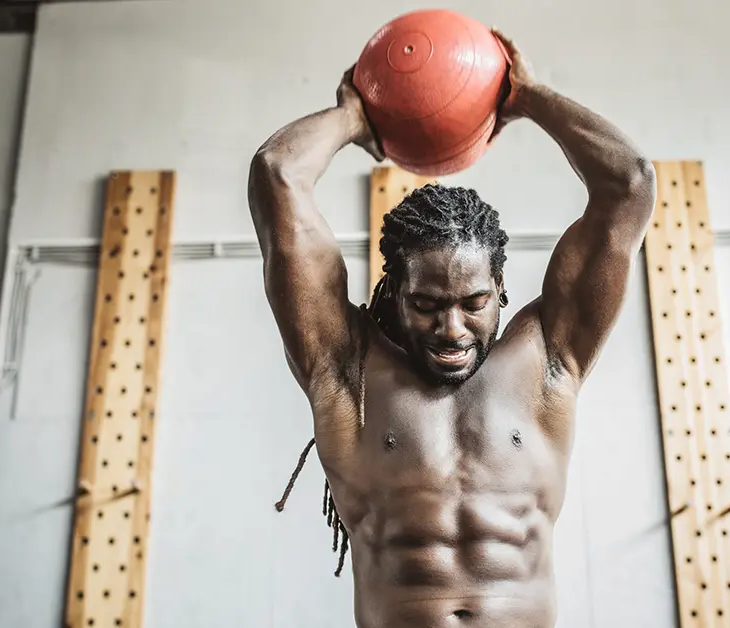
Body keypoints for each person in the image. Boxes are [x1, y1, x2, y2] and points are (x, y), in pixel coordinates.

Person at [247, 30, 655, 628]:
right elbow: (277, 172)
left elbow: (630, 184)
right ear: (393, 294)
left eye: (474, 302)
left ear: (501, 293)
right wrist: (352, 118)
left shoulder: (550, 359)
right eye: (428, 304)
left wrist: (528, 97)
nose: (452, 328)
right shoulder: (343, 369)